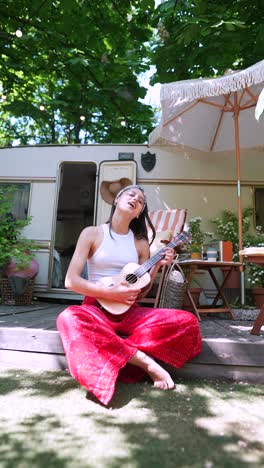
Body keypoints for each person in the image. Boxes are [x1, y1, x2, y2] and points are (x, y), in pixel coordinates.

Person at [57, 185, 202, 405]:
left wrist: (158, 266)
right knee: (68, 317)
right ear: (117, 200)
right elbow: (71, 281)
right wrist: (109, 293)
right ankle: (144, 362)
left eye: (141, 201)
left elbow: (141, 290)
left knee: (187, 321)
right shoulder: (92, 233)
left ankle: (118, 353)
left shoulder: (140, 243)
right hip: (96, 309)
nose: (136, 199)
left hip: (129, 312)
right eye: (131, 194)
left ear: (138, 212)